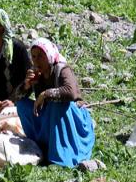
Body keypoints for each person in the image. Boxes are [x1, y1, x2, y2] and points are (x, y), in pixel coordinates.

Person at [12, 38, 94, 167]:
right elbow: (16, 99)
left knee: (56, 105)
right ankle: (43, 145)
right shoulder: (37, 74)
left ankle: (61, 155)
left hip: (71, 118)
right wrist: (26, 85)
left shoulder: (62, 69)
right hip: (49, 117)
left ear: (49, 55)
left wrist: (46, 94)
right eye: (34, 56)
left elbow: (70, 92)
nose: (37, 60)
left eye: (41, 56)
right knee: (22, 105)